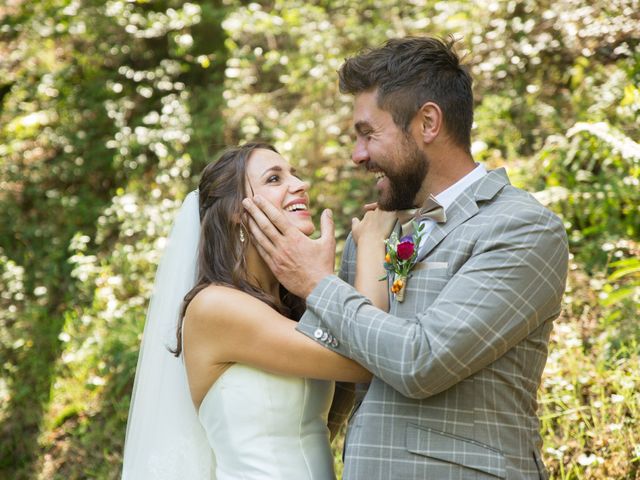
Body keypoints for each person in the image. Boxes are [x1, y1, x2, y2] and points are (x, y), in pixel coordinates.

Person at [242, 36, 569, 479]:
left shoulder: (522, 228)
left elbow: (423, 362)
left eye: (367, 133)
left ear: (428, 123)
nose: (358, 156)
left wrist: (315, 283)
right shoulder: (375, 233)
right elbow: (345, 367)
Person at [121, 142, 380, 480]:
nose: (300, 184)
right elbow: (371, 355)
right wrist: (371, 246)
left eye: (295, 174)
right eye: (274, 179)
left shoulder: (292, 311)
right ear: (236, 212)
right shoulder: (215, 307)